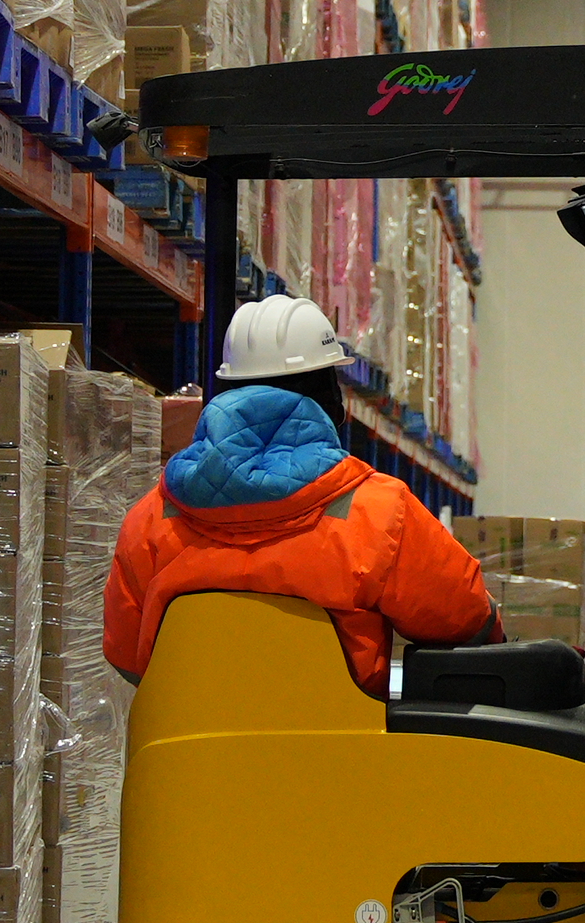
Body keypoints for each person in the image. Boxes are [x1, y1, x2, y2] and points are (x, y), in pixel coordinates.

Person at [102, 292, 501, 688]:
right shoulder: (378, 511)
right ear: (329, 394)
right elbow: (465, 619)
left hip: (183, 747)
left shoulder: (150, 517)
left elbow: (126, 653)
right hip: (333, 747)